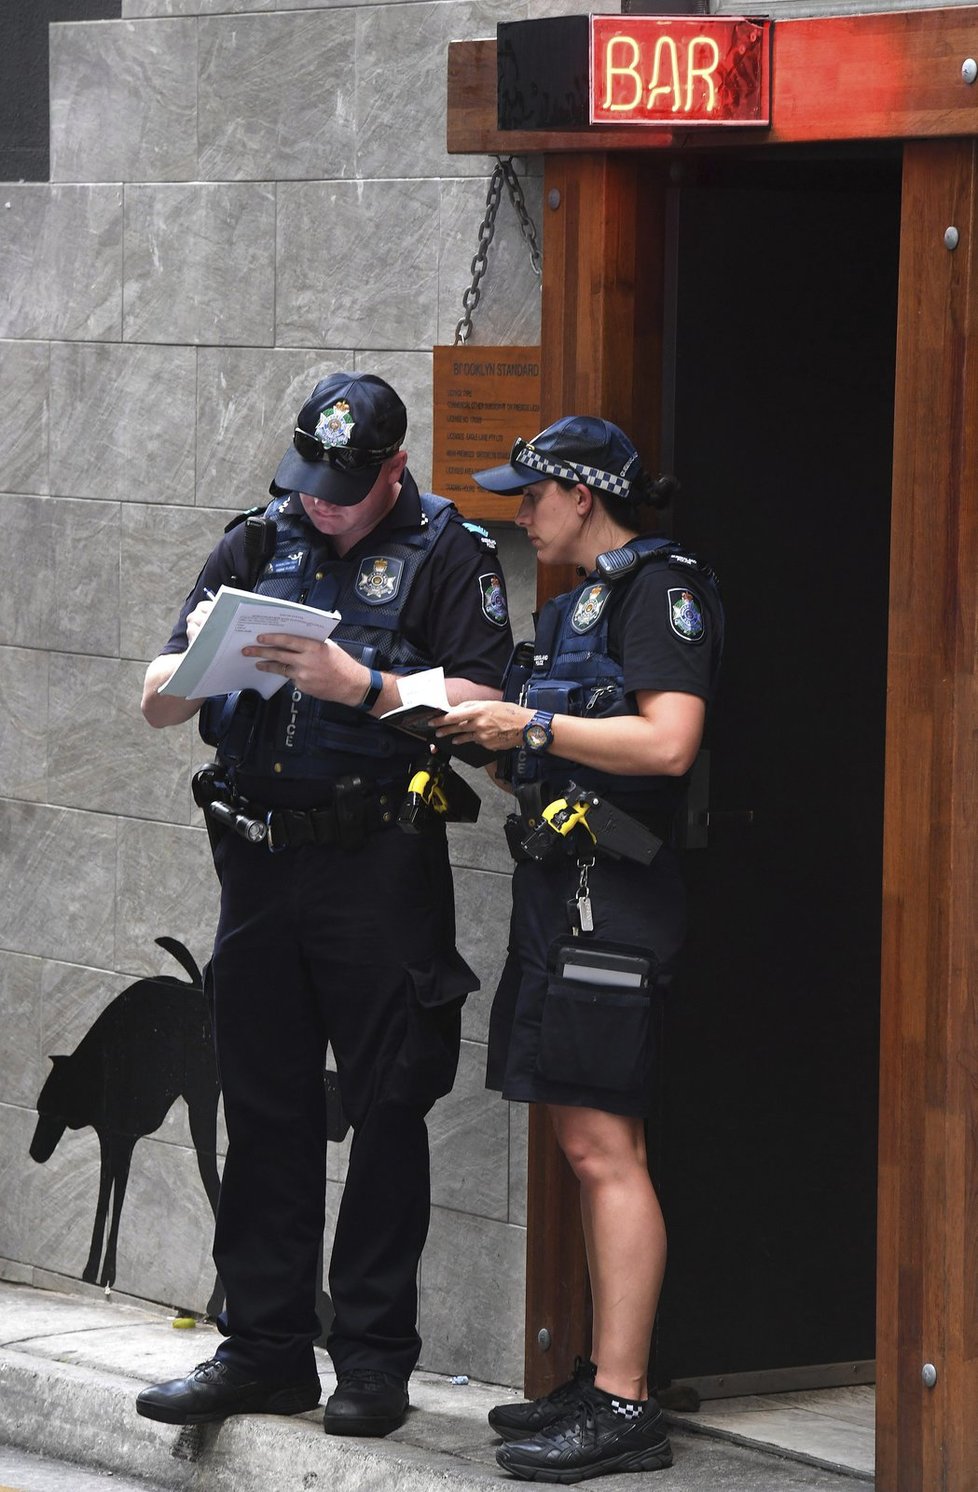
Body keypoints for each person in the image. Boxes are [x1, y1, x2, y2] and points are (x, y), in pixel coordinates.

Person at [134, 372, 512, 1437]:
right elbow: (155, 696)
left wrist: (366, 688)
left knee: (389, 1106)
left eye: (346, 488)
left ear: (394, 467)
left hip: (377, 866)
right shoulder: (257, 543)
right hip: (256, 863)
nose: (323, 505)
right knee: (264, 1107)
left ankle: (376, 1360)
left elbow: (487, 703)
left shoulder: (449, 553)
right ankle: (263, 1349)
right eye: (311, 483)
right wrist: (204, 672)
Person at [434, 415, 723, 1483]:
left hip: (619, 900)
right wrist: (479, 728)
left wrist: (533, 728)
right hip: (557, 894)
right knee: (580, 1147)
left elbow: (668, 739)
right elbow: (547, 758)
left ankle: (624, 1402)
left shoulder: (665, 592)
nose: (521, 514)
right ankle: (603, 1372)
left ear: (584, 493)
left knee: (609, 1152)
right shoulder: (570, 610)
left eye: (531, 495)